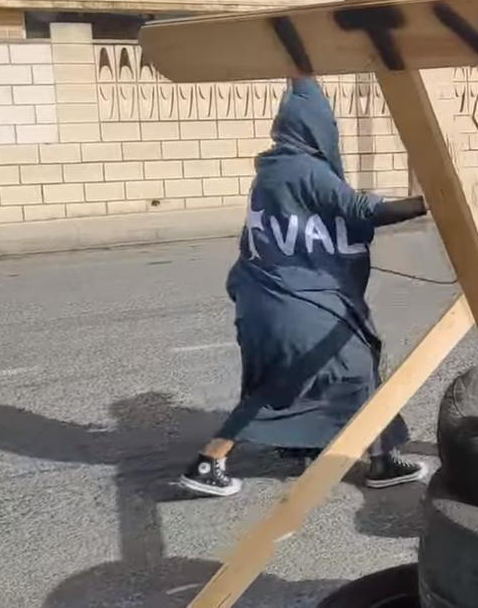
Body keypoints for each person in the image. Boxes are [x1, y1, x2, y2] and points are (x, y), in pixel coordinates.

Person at [178, 76, 430, 498]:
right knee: (335, 372)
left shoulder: (275, 169)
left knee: (325, 374)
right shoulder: (304, 168)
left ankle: (381, 457)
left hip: (267, 297)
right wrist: (428, 202)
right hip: (296, 301)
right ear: (317, 128)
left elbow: (316, 221)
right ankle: (209, 459)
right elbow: (357, 209)